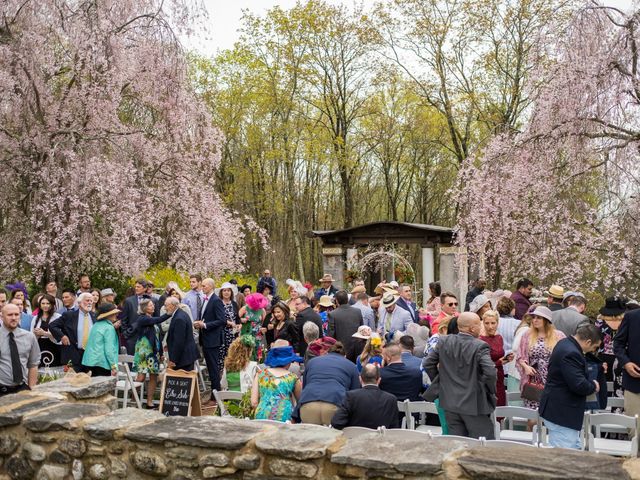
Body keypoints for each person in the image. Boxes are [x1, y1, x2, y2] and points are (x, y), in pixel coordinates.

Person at [423, 312, 497, 439]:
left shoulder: (444, 341)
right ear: (472, 328)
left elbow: (428, 363)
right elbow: (490, 372)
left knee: (457, 444)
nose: (481, 328)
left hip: (450, 401)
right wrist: (489, 390)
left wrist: (442, 383)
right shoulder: (480, 346)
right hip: (474, 403)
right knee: (483, 446)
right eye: (479, 325)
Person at [539, 324, 602, 449]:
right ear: (588, 342)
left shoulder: (564, 343)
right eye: (594, 347)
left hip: (558, 408)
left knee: (571, 448)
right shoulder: (571, 352)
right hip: (562, 412)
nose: (593, 351)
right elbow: (578, 384)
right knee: (564, 455)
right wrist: (593, 386)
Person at [515, 306, 566, 411]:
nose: (535, 320)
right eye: (533, 317)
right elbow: (520, 355)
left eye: (539, 317)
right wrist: (525, 366)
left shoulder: (558, 336)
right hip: (533, 379)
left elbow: (566, 356)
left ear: (546, 320)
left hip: (552, 380)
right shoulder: (527, 335)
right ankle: (531, 428)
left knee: (551, 412)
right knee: (532, 414)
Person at [297, 342, 360, 425]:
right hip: (335, 403)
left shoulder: (312, 362)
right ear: (344, 356)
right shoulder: (351, 366)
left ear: (327, 353)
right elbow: (354, 396)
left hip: (308, 403)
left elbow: (305, 386)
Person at [331, 364, 400, 430]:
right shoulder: (391, 399)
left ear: (360, 379)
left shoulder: (351, 396)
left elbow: (337, 423)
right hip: (380, 441)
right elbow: (394, 428)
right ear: (379, 380)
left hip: (355, 439)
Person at [194, 278, 226, 404]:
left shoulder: (216, 300)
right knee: (210, 367)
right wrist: (199, 323)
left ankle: (216, 396)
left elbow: (222, 320)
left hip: (213, 340)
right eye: (202, 286)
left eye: (204, 286)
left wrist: (205, 325)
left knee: (213, 368)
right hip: (206, 338)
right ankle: (214, 393)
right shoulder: (206, 299)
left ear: (211, 287)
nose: (202, 288)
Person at [133, 298, 170, 408]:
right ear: (144, 308)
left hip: (154, 351)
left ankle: (149, 401)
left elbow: (157, 338)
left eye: (153, 305)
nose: (153, 306)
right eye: (150, 305)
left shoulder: (152, 319)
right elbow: (159, 320)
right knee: (141, 377)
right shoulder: (142, 319)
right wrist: (170, 313)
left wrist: (161, 353)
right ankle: (134, 399)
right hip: (144, 352)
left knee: (154, 376)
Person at [252, 345, 302, 422]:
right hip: (284, 417)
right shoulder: (293, 377)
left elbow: (254, 402)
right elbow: (300, 402)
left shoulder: (260, 374)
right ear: (288, 362)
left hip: (262, 416)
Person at [0, 304, 40, 396]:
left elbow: (33, 365)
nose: (14, 318)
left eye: (16, 314)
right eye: (10, 315)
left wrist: (31, 390)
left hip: (22, 389)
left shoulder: (29, 337)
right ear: (2, 317)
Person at [49, 292, 95, 372]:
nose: (90, 303)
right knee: (72, 382)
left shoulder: (95, 316)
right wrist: (62, 336)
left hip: (91, 356)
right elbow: (52, 326)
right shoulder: (69, 315)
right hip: (73, 355)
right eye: (87, 300)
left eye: (91, 301)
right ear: (79, 302)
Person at [596, 297, 627, 400]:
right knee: (619, 385)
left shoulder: (599, 321)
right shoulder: (626, 321)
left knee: (603, 385)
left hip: (602, 357)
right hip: (621, 357)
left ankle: (603, 407)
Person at [613, 299, 640, 417]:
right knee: (635, 428)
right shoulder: (631, 317)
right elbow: (618, 344)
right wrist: (626, 363)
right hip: (635, 382)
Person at [479, 310, 511, 406]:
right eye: (487, 323)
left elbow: (498, 357)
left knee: (500, 408)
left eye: (493, 323)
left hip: (499, 377)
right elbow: (480, 365)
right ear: (483, 323)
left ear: (497, 323)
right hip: (487, 379)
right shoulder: (480, 340)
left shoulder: (499, 338)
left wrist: (506, 359)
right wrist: (499, 363)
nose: (490, 326)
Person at [82, 303, 120, 377]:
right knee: (105, 387)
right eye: (114, 313)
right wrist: (113, 366)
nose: (116, 315)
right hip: (102, 363)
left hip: (90, 361)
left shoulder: (96, 325)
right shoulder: (109, 328)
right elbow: (109, 350)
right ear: (108, 315)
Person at [164, 297, 198, 372]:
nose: (165, 308)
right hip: (185, 356)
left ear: (172, 306)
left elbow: (179, 341)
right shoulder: (180, 313)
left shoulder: (179, 318)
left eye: (166, 305)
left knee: (183, 381)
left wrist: (173, 360)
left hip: (183, 358)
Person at [327, 290, 363, 362]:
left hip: (341, 350)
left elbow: (331, 335)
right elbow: (362, 329)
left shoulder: (332, 314)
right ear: (347, 299)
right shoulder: (357, 311)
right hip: (357, 349)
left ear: (336, 301)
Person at [29, 294, 61, 366]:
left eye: (47, 303)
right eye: (43, 303)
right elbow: (31, 336)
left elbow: (60, 336)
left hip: (54, 347)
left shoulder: (57, 317)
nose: (45, 305)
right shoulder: (35, 318)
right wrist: (36, 334)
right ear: (40, 305)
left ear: (52, 304)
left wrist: (45, 333)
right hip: (39, 347)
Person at [121, 279, 149, 354]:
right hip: (132, 337)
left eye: (138, 287)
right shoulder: (129, 301)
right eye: (135, 286)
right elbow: (124, 319)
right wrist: (126, 334)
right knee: (131, 361)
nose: (136, 288)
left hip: (148, 336)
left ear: (145, 288)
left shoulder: (152, 300)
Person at [216, 282, 240, 374]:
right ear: (221, 292)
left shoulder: (234, 303)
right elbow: (219, 318)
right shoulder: (218, 303)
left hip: (233, 334)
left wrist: (239, 325)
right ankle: (221, 376)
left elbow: (237, 318)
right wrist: (229, 323)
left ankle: (231, 374)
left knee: (232, 354)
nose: (226, 292)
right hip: (222, 333)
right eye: (224, 291)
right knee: (222, 355)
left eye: (228, 291)